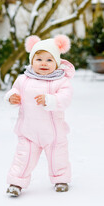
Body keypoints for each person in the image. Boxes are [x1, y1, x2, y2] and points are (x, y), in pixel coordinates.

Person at [4, 34, 75, 197]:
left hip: (54, 132)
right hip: (28, 131)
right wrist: (12, 97)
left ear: (57, 63)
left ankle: (61, 179)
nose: (44, 63)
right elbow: (15, 91)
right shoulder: (23, 80)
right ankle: (16, 183)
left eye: (49, 60)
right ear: (32, 61)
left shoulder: (61, 81)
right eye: (39, 59)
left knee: (58, 157)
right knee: (23, 157)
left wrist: (51, 100)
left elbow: (65, 98)